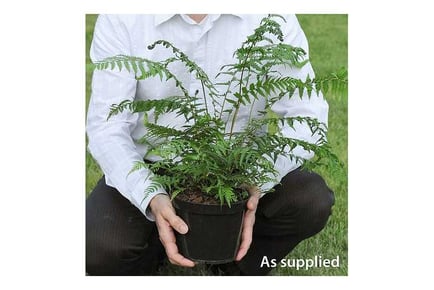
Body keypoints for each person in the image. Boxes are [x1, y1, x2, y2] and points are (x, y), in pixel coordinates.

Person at [86, 14, 335, 276]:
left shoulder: (272, 14)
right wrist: (150, 196)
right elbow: (107, 126)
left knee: (309, 199)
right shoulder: (122, 16)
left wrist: (259, 180)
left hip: (239, 170)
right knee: (96, 245)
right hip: (153, 167)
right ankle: (155, 250)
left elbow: (307, 117)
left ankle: (234, 264)